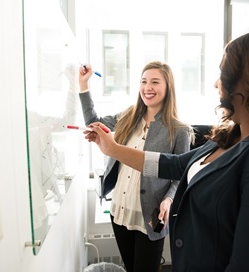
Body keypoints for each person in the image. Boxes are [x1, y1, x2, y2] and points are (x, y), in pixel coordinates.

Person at [85, 31, 249, 271]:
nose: (216, 83)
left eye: (223, 73)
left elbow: (247, 267)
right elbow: (174, 165)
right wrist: (113, 149)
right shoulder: (230, 136)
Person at [77, 62, 191, 272]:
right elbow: (93, 122)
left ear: (168, 87)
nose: (147, 87)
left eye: (155, 82)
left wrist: (168, 199)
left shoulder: (179, 130)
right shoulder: (128, 117)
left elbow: (180, 175)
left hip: (150, 215)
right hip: (120, 210)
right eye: (144, 81)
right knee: (131, 268)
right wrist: (84, 85)